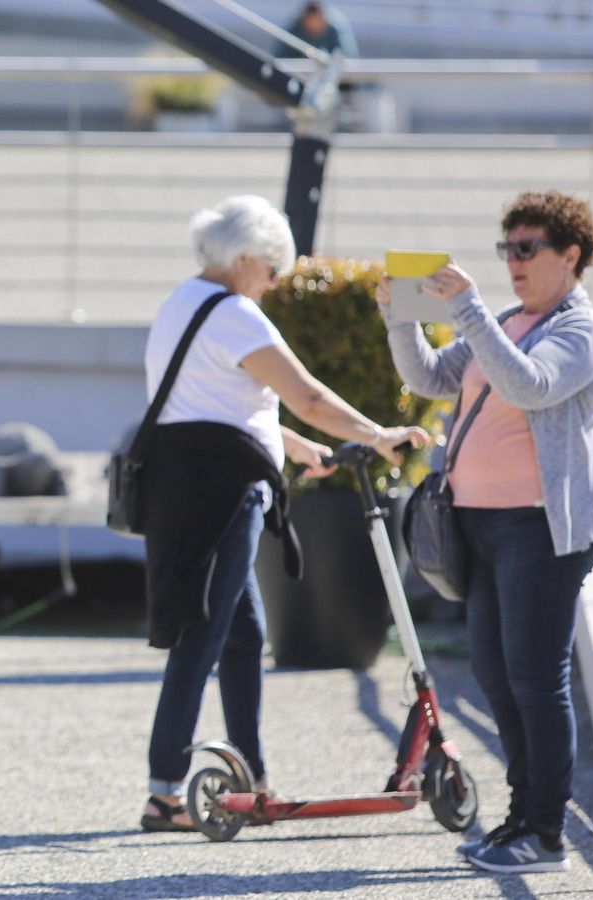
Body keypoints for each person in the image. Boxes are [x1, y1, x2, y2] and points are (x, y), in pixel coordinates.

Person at [137, 195, 427, 832]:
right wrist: (379, 434)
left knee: (242, 635)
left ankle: (254, 778)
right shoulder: (237, 315)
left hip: (186, 484)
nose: (274, 282)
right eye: (271, 269)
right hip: (223, 492)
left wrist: (291, 446)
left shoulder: (180, 302)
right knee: (204, 635)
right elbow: (308, 395)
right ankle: (163, 792)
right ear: (243, 259)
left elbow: (209, 400)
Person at [379, 190, 593, 874]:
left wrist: (471, 311)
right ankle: (521, 815)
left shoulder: (583, 330)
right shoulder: (505, 318)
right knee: (495, 674)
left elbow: (531, 386)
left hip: (541, 527)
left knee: (538, 680)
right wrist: (401, 320)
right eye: (506, 249)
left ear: (571, 257)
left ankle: (545, 833)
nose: (513, 263)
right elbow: (428, 376)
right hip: (478, 523)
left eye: (527, 249)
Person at [274, 1, 359, 59]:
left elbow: (348, 56)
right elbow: (280, 56)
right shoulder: (294, 28)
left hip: (333, 77)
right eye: (309, 22)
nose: (313, 25)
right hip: (300, 76)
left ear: (322, 18)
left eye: (316, 22)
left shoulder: (336, 27)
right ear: (304, 19)